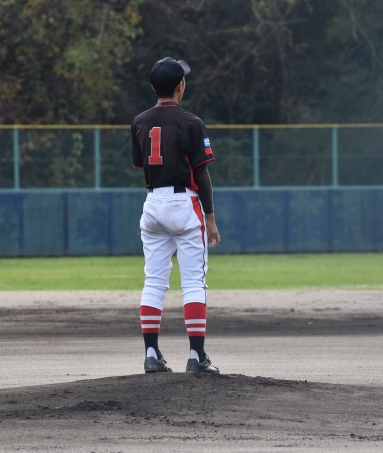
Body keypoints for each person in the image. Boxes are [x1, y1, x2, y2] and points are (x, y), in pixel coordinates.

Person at [131, 57, 221, 374]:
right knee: (194, 282)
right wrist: (210, 217)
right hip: (185, 204)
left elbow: (142, 163)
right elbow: (202, 175)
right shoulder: (191, 122)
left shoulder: (139, 121)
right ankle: (197, 357)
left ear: (153, 87)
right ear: (180, 85)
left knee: (154, 282)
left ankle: (151, 355)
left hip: (152, 203)